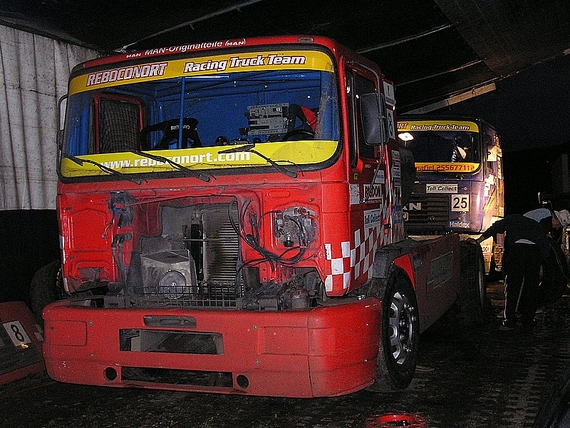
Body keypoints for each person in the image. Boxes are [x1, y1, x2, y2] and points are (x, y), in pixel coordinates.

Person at [476, 214, 550, 331]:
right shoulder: (536, 225)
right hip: (534, 252)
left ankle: (510, 321)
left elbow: (494, 228)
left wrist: (478, 240)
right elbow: (545, 249)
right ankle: (528, 320)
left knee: (513, 286)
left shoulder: (512, 219)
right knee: (531, 287)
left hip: (517, 250)